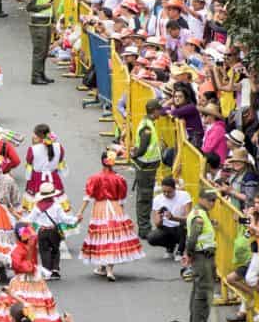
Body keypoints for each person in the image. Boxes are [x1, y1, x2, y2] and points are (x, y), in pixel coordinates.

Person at [77, 149, 145, 282]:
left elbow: (88, 197)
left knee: (102, 236)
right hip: (115, 207)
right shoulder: (120, 179)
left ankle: (104, 268)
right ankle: (107, 269)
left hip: (100, 208)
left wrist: (80, 212)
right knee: (114, 237)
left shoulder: (94, 178)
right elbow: (122, 200)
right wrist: (121, 212)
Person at [185, 190, 218, 322]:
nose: (213, 203)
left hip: (202, 256)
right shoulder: (199, 216)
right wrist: (190, 254)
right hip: (202, 257)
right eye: (210, 200)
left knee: (198, 293)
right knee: (202, 295)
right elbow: (193, 238)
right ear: (202, 199)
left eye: (214, 200)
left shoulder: (200, 213)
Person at [132, 99, 164, 242]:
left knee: (145, 196)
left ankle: (144, 227)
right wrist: (135, 155)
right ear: (154, 111)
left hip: (148, 167)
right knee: (144, 198)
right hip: (145, 167)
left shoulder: (149, 123)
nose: (160, 112)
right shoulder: (147, 128)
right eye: (159, 110)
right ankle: (144, 229)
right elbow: (143, 148)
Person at [150, 176, 191, 260]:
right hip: (166, 227)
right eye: (164, 191)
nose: (166, 194)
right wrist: (160, 217)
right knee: (152, 238)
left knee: (184, 225)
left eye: (169, 192)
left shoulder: (184, 195)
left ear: (175, 189)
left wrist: (173, 218)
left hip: (180, 227)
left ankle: (180, 250)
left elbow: (189, 218)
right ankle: (170, 247)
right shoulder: (157, 199)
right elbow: (157, 224)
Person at [24, 0, 54, 85]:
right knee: (39, 51)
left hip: (47, 23)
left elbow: (51, 7)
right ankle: (35, 76)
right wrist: (43, 6)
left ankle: (41, 74)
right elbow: (29, 8)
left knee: (45, 51)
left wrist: (53, 20)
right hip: (37, 24)